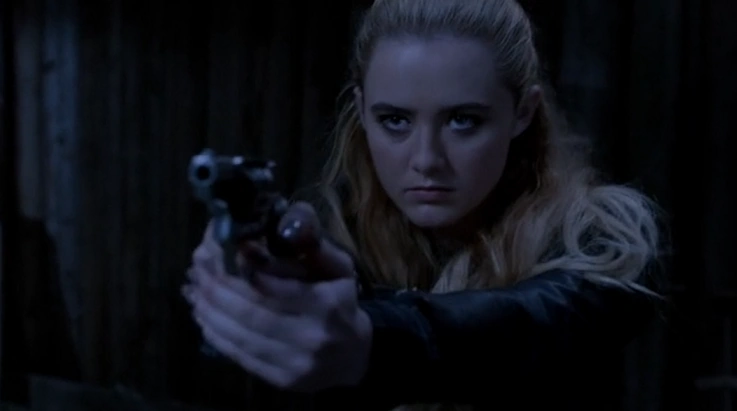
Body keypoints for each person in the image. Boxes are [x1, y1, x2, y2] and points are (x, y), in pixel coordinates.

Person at [182, 0, 664, 409]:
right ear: (362, 109)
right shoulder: (340, 237)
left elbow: (532, 323)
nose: (427, 160)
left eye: (463, 120)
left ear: (522, 113)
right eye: (395, 120)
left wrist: (371, 338)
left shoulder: (605, 238)